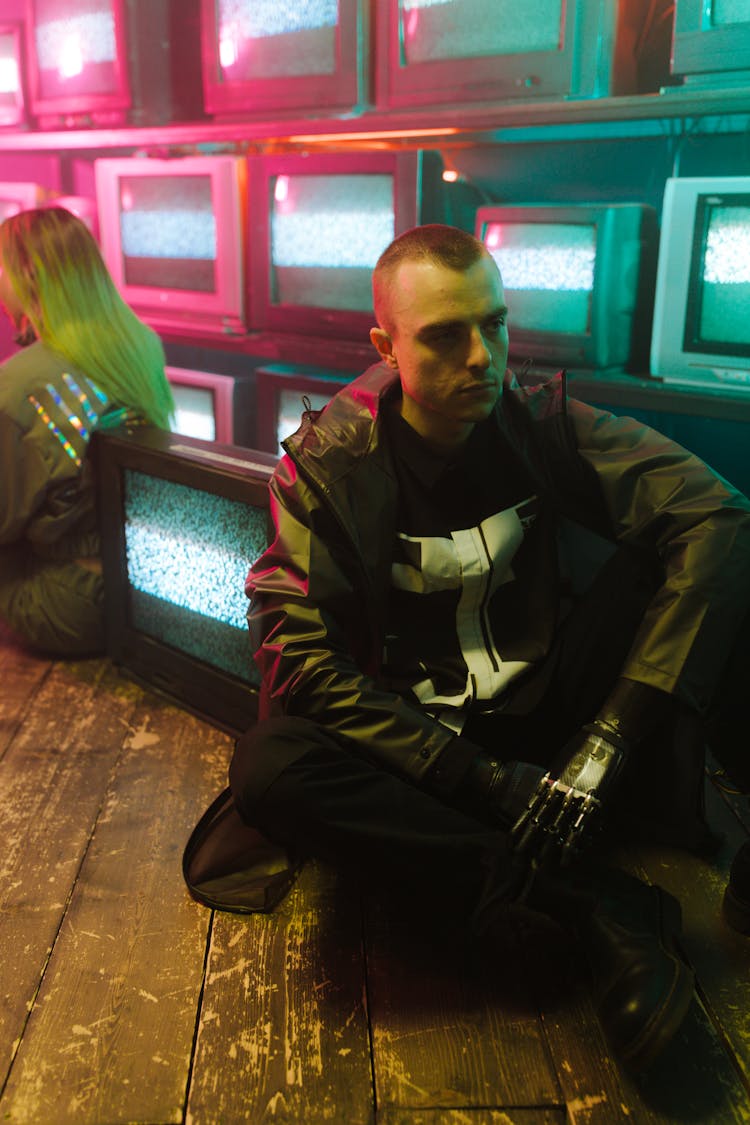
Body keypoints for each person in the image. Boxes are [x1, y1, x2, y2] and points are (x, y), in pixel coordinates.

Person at [229, 224, 750, 1072]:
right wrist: (485, 781)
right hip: (421, 756)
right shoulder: (327, 465)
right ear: (385, 346)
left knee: (719, 561)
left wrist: (607, 739)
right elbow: (301, 661)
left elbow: (717, 514)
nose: (484, 357)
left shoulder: (544, 423)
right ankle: (597, 901)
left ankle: (530, 890)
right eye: (444, 334)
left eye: (496, 324)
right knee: (269, 765)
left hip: (550, 719)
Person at [0, 206, 174, 655]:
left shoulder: (19, 383)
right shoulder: (142, 343)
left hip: (67, 604)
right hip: (143, 589)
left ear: (24, 273)